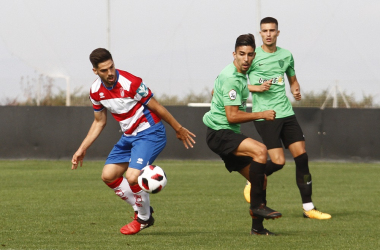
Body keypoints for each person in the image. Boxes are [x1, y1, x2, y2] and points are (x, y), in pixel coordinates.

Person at [71, 48, 196, 235]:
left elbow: (157, 106)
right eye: (104, 70)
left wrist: (177, 128)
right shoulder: (96, 91)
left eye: (111, 67)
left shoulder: (131, 83)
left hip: (150, 132)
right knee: (108, 175)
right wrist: (82, 149)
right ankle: (145, 210)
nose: (110, 72)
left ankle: (143, 218)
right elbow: (99, 121)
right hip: (129, 137)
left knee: (132, 177)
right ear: (95, 71)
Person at [243, 17, 331, 220]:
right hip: (266, 116)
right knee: (279, 161)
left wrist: (295, 88)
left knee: (302, 156)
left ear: (277, 33)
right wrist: (255, 87)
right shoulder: (252, 57)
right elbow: (235, 82)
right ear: (260, 33)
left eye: (272, 30)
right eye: (264, 30)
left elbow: (292, 78)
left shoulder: (286, 55)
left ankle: (308, 208)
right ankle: (252, 178)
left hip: (286, 113)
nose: (268, 34)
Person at [203, 34, 282, 236]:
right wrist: (262, 114)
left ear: (254, 55)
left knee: (261, 179)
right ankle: (258, 206)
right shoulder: (231, 77)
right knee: (261, 151)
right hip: (220, 133)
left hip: (224, 133)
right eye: (241, 54)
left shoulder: (235, 75)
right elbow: (231, 116)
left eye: (249, 55)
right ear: (234, 54)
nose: (246, 59)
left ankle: (257, 229)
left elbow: (215, 91)